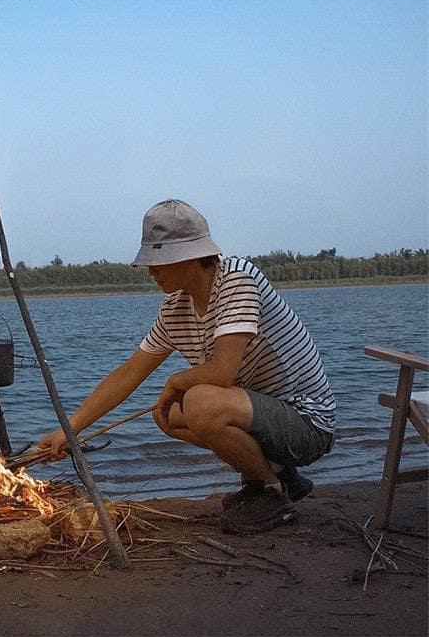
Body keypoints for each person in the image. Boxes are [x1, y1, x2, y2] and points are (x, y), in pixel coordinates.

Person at [39, 199, 335, 535]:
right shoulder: (175, 309)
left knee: (197, 401)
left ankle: (270, 493)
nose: (150, 270)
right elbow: (128, 373)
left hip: (307, 424)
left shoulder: (238, 280)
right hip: (264, 417)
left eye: (159, 261)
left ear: (190, 257)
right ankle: (276, 477)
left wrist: (176, 381)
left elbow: (222, 372)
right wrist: (68, 430)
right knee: (167, 414)